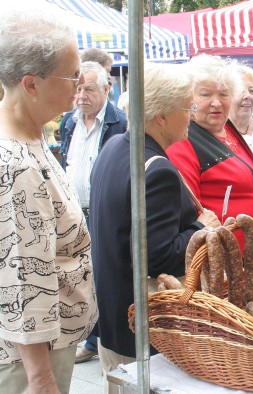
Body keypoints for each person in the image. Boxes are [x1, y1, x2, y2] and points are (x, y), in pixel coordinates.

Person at [89, 62, 220, 382]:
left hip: (113, 317)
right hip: (145, 327)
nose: (190, 114)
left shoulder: (113, 148)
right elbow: (158, 256)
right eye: (186, 107)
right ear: (161, 116)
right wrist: (203, 227)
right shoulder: (157, 169)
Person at [0, 6, 98, 393]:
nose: (80, 83)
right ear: (31, 84)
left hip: (52, 339)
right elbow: (24, 277)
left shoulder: (32, 136)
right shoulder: (15, 163)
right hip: (34, 354)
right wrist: (40, 377)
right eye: (72, 75)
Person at [167, 55, 253, 258]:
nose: (216, 102)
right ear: (188, 99)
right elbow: (190, 213)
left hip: (251, 256)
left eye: (224, 94)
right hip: (223, 261)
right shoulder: (184, 139)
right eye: (205, 94)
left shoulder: (227, 129)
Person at [59, 61, 127, 364]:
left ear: (106, 89)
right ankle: (86, 332)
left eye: (88, 88)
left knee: (101, 277)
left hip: (100, 214)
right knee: (79, 277)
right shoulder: (69, 122)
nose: (81, 94)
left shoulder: (119, 123)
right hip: (73, 213)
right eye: (78, 88)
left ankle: (95, 338)